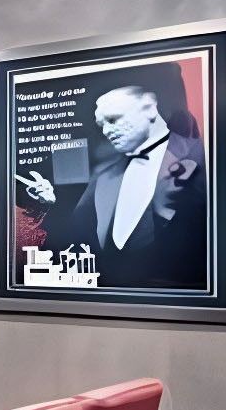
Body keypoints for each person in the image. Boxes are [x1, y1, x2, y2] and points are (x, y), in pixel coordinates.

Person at [16, 84, 207, 290]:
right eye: (101, 125)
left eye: (113, 119)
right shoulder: (104, 176)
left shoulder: (203, 157)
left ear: (149, 107)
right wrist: (48, 203)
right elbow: (73, 233)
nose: (106, 131)